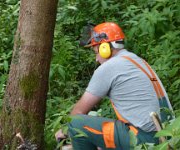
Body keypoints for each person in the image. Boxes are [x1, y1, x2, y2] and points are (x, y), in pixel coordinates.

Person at [55, 22, 173, 150]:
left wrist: (64, 130)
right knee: (99, 131)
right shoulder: (137, 60)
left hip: (146, 138)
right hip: (169, 136)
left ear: (105, 48)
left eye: (96, 52)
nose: (96, 59)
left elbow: (78, 112)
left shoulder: (109, 67)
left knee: (76, 123)